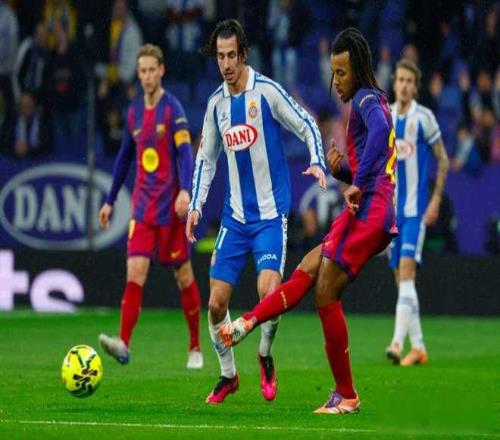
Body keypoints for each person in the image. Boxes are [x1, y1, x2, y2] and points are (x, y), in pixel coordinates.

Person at [218, 27, 398, 414]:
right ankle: (247, 322)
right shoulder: (369, 101)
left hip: (371, 210)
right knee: (309, 267)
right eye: (334, 73)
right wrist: (343, 171)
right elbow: (374, 162)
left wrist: (356, 183)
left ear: (359, 69)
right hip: (370, 207)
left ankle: (346, 395)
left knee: (325, 291)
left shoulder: (367, 98)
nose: (336, 82)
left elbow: (382, 133)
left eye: (342, 73)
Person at [186, 19, 326, 404]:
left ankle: (264, 354)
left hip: (269, 216)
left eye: (232, 55)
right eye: (220, 56)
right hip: (235, 218)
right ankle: (228, 376)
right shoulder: (216, 104)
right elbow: (206, 159)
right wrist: (196, 205)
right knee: (215, 303)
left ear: (244, 54)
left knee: (268, 292)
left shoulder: (266, 92)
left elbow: (306, 123)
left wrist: (317, 160)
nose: (226, 64)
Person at [98, 44, 203, 370]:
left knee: (183, 276)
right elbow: (123, 159)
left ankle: (195, 346)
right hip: (142, 208)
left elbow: (185, 154)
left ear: (161, 71)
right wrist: (109, 200)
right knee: (135, 272)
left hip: (170, 209)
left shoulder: (173, 110)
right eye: (141, 71)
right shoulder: (133, 113)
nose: (146, 76)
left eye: (151, 70)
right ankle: (124, 344)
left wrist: (185, 190)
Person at [385, 59, 449, 366]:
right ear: (394, 83)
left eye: (410, 81)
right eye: (400, 80)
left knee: (407, 273)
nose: (404, 85)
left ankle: (397, 343)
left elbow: (443, 159)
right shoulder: (385, 117)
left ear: (416, 86)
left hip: (415, 211)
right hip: (390, 214)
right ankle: (419, 346)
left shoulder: (424, 118)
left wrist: (435, 200)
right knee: (401, 281)